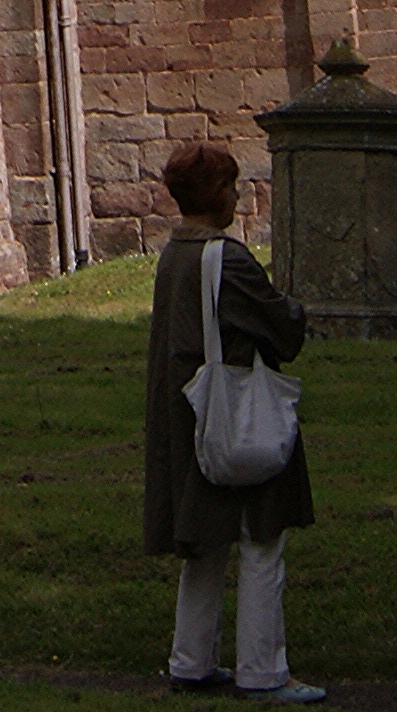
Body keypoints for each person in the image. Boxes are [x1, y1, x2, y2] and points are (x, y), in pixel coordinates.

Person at [143, 140, 319, 700]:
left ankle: (190, 661)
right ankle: (264, 672)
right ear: (216, 194)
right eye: (233, 186)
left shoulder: (173, 255)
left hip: (185, 413)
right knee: (260, 538)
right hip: (233, 413)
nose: (238, 196)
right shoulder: (227, 259)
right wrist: (293, 308)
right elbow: (283, 330)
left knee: (205, 541)